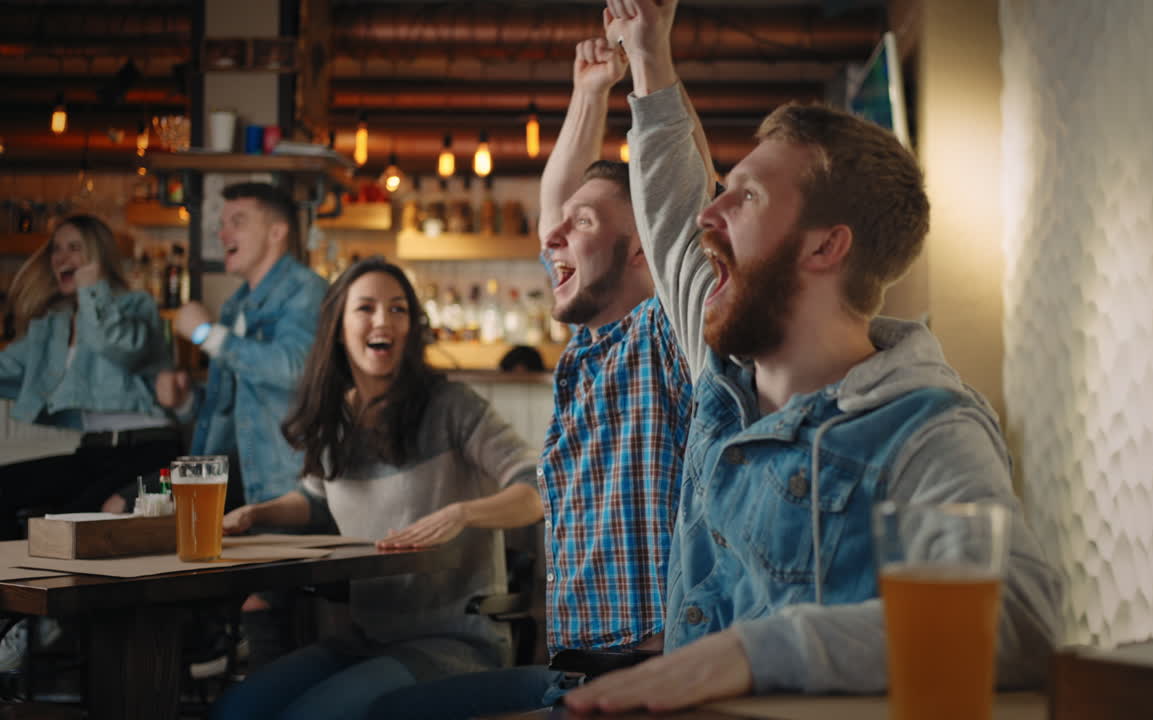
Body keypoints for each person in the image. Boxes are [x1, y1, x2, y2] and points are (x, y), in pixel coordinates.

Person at [564, 1, 1062, 713]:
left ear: (826, 246)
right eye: (723, 190)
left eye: (747, 196)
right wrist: (648, 54)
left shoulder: (926, 428)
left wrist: (752, 652)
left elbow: (1017, 617)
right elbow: (674, 207)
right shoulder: (724, 375)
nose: (712, 211)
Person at [366, 31, 696, 720]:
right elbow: (553, 207)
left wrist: (648, 57)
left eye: (582, 223)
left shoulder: (665, 335)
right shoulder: (590, 344)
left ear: (644, 251)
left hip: (647, 683)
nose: (551, 237)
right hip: (571, 676)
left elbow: (678, 205)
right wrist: (588, 90)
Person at [209, 257, 542, 720]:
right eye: (366, 308)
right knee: (235, 710)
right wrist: (256, 514)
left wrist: (463, 513)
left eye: (398, 308)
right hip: (368, 637)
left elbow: (539, 487)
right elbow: (315, 499)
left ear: (412, 327)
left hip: (457, 639)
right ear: (339, 328)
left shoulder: (452, 407)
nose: (383, 319)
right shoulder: (336, 416)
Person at [106, 181, 327, 510]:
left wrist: (207, 335)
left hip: (280, 483)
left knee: (123, 507)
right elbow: (229, 407)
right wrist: (185, 400)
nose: (222, 235)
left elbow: (297, 370)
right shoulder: (237, 305)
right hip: (223, 470)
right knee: (121, 504)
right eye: (222, 225)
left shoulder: (306, 290)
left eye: (237, 222)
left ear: (276, 232)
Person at [0, 214, 178, 539]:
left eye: (74, 248)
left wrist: (92, 291)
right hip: (93, 450)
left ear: (98, 256)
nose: (61, 257)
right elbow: (5, 369)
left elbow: (118, 347)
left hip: (147, 448)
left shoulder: (136, 304)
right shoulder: (54, 323)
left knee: (67, 531)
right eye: (56, 249)